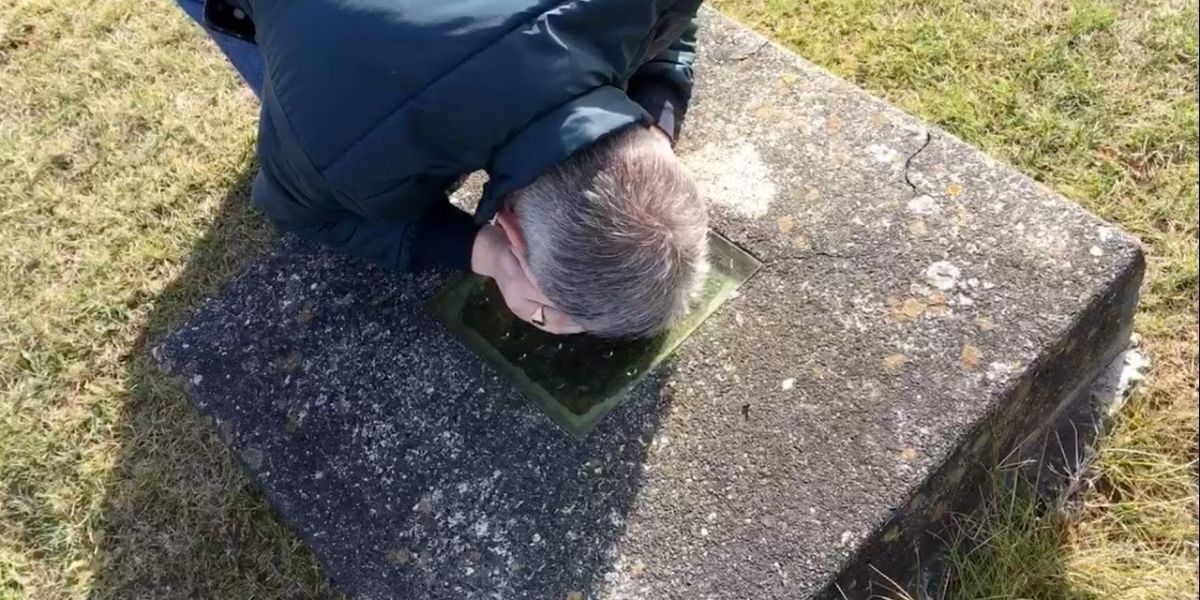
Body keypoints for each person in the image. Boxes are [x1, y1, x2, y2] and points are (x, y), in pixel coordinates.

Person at [187, 0, 710, 338]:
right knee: (283, 46)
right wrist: (485, 256)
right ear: (509, 227)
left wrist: (658, 116)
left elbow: (674, 23)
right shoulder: (333, 151)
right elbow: (304, 213)